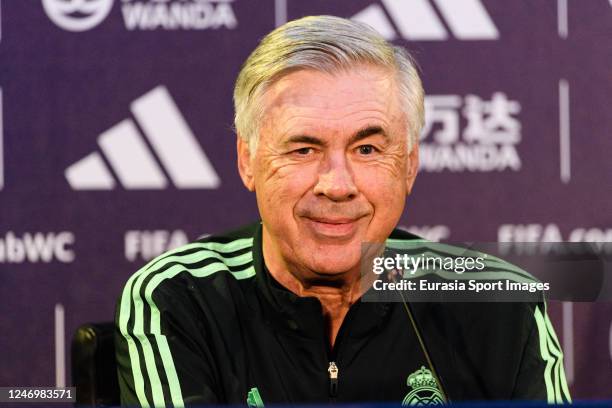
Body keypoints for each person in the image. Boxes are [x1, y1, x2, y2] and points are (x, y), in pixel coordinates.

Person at [115, 15, 571, 406]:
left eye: (368, 148)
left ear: (410, 165)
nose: (337, 184)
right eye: (303, 149)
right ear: (247, 161)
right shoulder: (180, 297)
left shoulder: (498, 302)